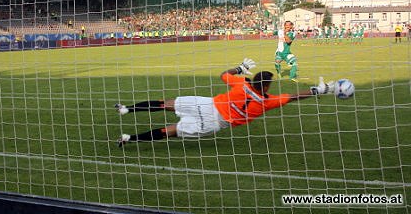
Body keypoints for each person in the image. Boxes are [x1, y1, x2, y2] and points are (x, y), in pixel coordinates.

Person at [115, 58, 334, 146]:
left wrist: (240, 68)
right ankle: (128, 138)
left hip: (207, 104)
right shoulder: (269, 101)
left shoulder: (242, 85)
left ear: (253, 80)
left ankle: (127, 109)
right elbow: (295, 97)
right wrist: (317, 90)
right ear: (266, 87)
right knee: (169, 131)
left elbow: (223, 74)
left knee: (166, 103)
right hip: (215, 122)